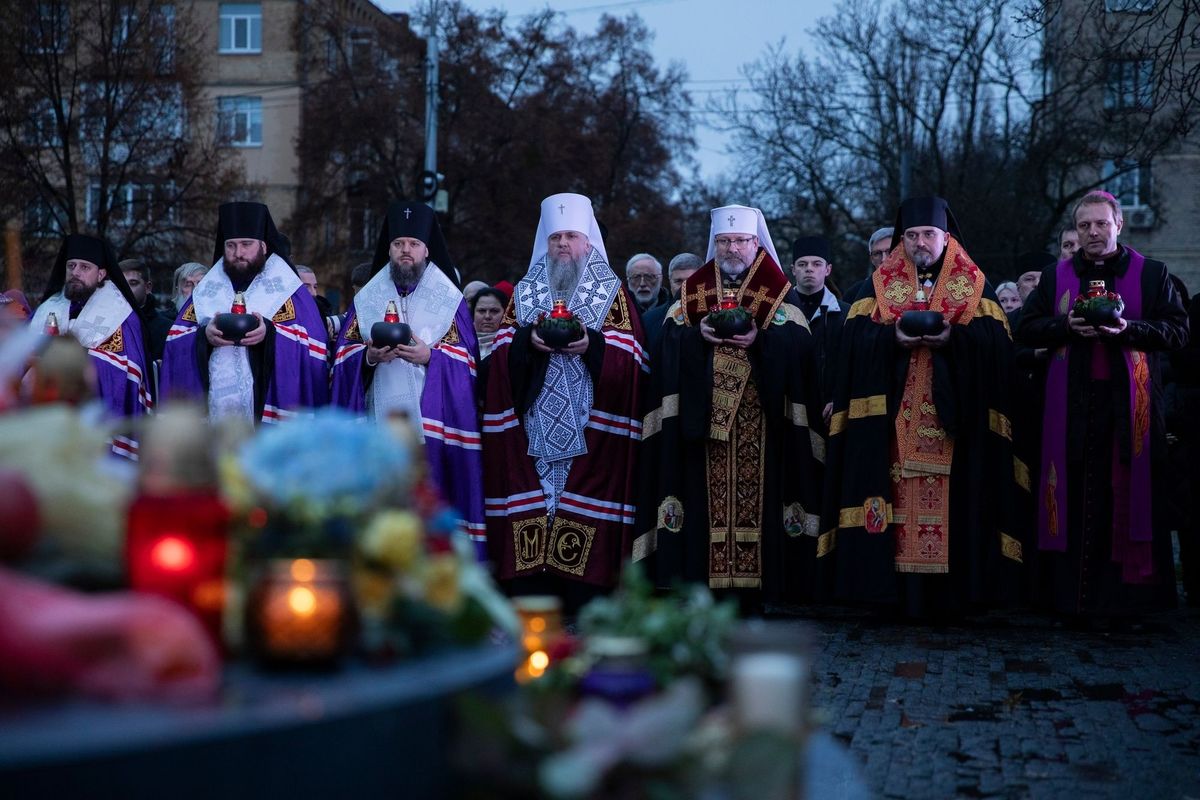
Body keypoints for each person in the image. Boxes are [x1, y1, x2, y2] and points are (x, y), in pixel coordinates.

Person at [818, 196, 1020, 616]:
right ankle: (893, 597)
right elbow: (851, 346)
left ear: (945, 237)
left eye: (928, 234)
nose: (920, 243)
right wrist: (891, 339)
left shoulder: (976, 286)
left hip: (955, 429)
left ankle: (952, 600)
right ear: (901, 240)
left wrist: (955, 341)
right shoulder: (874, 288)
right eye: (911, 236)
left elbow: (997, 350)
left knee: (955, 509)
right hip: (891, 430)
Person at [636, 205, 824, 605]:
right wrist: (696, 338)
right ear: (714, 245)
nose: (732, 248)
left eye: (740, 240)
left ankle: (761, 585)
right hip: (703, 428)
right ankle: (705, 584)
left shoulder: (780, 299)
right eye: (724, 241)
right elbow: (667, 349)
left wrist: (761, 341)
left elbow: (801, 354)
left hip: (764, 422)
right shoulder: (691, 298)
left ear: (756, 244)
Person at [1016, 190, 1188, 619]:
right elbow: (1027, 328)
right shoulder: (1055, 277)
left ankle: (1127, 606)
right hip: (1070, 407)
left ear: (1118, 225)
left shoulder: (1152, 274)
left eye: (1101, 224)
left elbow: (1178, 332)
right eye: (1085, 226)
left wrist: (1129, 329)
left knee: (1125, 496)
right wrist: (1065, 326)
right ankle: (1069, 601)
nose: (1093, 233)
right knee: (1070, 496)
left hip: (1129, 409)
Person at [480, 192, 646, 607]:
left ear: (587, 240)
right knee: (536, 496)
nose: (563, 245)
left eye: (571, 236)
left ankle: (583, 585)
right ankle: (531, 581)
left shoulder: (613, 293)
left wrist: (592, 344)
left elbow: (632, 356)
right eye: (556, 238)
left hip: (590, 424)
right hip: (534, 421)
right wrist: (526, 342)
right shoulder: (526, 290)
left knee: (576, 496)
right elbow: (500, 351)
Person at [330, 201, 484, 550]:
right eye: (399, 244)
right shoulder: (368, 297)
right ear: (389, 249)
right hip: (378, 428)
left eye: (413, 245)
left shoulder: (449, 299)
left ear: (426, 250)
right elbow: (342, 356)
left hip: (430, 433)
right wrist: (368, 357)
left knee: (427, 517)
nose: (405, 251)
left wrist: (430, 356)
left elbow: (468, 363)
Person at [160, 201, 329, 422]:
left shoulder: (289, 291)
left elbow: (314, 348)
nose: (238, 253)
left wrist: (269, 333)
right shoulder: (206, 292)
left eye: (246, 244)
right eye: (231, 245)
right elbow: (175, 344)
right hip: (214, 419)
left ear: (264, 246)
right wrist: (204, 336)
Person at [30, 234, 151, 458]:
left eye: (85, 267)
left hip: (96, 418)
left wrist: (72, 360)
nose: (75, 272)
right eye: (71, 266)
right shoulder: (48, 308)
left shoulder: (121, 314)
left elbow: (128, 370)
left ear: (101, 274)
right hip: (48, 414)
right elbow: (24, 359)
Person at [791, 236, 850, 421]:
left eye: (817, 264)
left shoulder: (845, 313)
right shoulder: (778, 312)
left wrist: (839, 399)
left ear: (828, 269)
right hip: (790, 407)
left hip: (829, 408)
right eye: (802, 264)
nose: (809, 268)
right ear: (793, 270)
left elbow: (849, 364)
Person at [640, 252, 702, 354]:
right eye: (678, 281)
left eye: (691, 280)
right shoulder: (648, 320)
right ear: (670, 281)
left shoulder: (714, 318)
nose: (684, 287)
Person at [120, 258, 172, 362]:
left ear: (147, 287)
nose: (125, 289)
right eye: (121, 283)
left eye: (133, 283)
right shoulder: (105, 324)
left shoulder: (167, 329)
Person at [472, 287, 507, 360]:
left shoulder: (511, 345)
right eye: (482, 310)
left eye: (494, 311)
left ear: (505, 314)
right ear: (473, 313)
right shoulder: (460, 344)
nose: (487, 316)